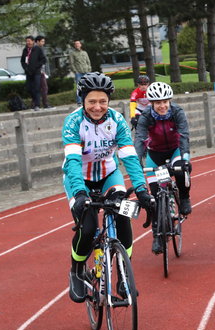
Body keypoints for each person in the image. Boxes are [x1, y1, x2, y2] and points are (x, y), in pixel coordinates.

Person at [62, 72, 154, 303]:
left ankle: (124, 274)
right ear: (82, 100)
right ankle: (76, 270)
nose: (97, 106)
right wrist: (80, 193)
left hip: (108, 175)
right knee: (89, 224)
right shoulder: (73, 122)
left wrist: (142, 190)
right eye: (92, 101)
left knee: (123, 214)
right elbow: (72, 162)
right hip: (79, 179)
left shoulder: (117, 120)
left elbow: (129, 157)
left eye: (102, 101)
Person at [134, 82, 192, 254]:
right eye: (158, 103)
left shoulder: (177, 112)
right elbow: (140, 140)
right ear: (151, 103)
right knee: (154, 196)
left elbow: (183, 136)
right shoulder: (145, 117)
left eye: (165, 101)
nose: (162, 106)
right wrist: (136, 162)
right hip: (155, 154)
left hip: (175, 150)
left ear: (169, 101)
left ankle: (185, 197)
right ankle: (157, 236)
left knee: (181, 171)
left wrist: (185, 159)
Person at [20, 35, 46, 111]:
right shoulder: (25, 50)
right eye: (26, 41)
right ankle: (34, 102)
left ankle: (37, 105)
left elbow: (43, 60)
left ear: (33, 41)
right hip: (28, 72)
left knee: (37, 88)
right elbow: (22, 61)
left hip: (36, 72)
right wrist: (25, 68)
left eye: (29, 41)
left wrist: (36, 66)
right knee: (29, 88)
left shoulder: (37, 49)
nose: (27, 42)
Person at [69, 40, 92, 105]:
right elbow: (71, 63)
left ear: (80, 45)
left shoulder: (84, 53)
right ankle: (79, 102)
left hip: (86, 71)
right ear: (74, 46)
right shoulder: (72, 53)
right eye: (76, 44)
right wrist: (75, 71)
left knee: (88, 86)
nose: (77, 45)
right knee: (79, 87)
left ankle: (88, 100)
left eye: (78, 44)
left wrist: (89, 69)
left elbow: (88, 61)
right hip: (78, 72)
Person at [35, 36, 53, 109]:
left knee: (43, 88)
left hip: (42, 72)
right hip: (38, 72)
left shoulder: (41, 49)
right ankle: (40, 104)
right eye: (42, 41)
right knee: (41, 88)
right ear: (38, 41)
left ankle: (43, 104)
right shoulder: (35, 50)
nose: (43, 43)